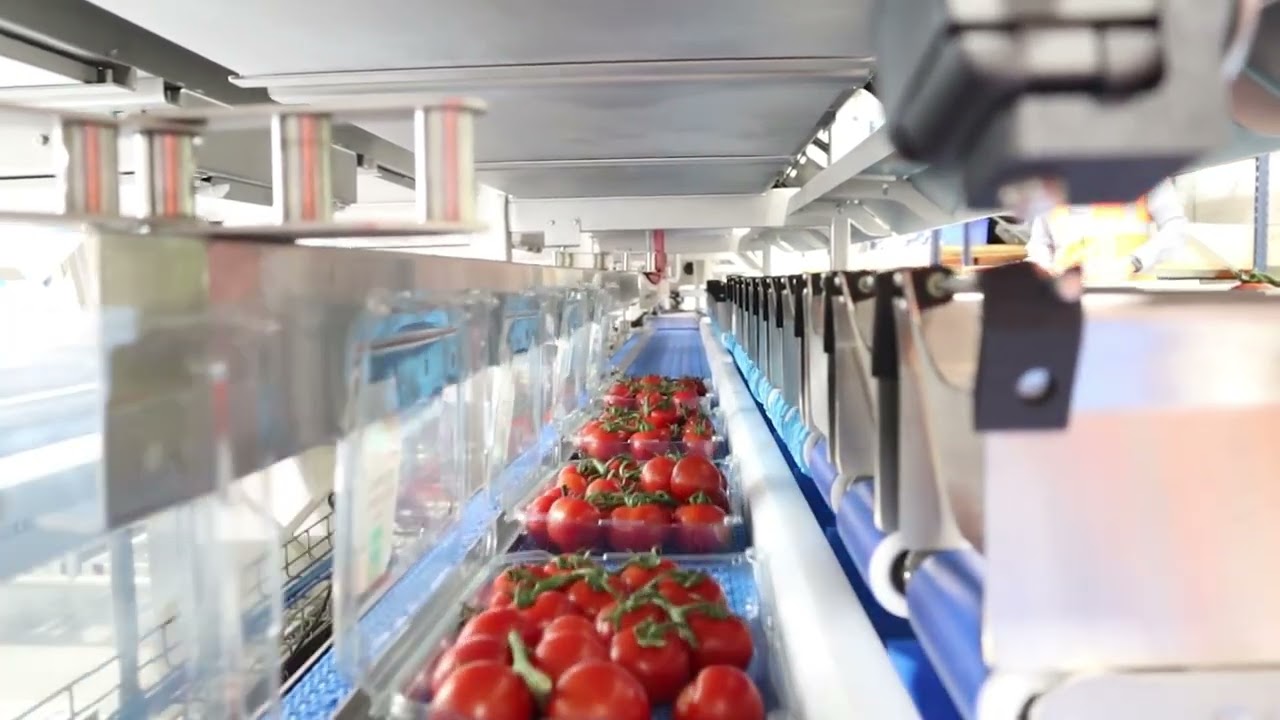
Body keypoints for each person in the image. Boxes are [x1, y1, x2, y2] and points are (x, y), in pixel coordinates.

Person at [1023, 177, 1194, 281]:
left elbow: (1176, 228)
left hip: (1129, 298)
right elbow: (1039, 242)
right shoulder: (1050, 180)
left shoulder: (1147, 172)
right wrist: (1046, 268)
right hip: (1068, 300)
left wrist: (1135, 262)